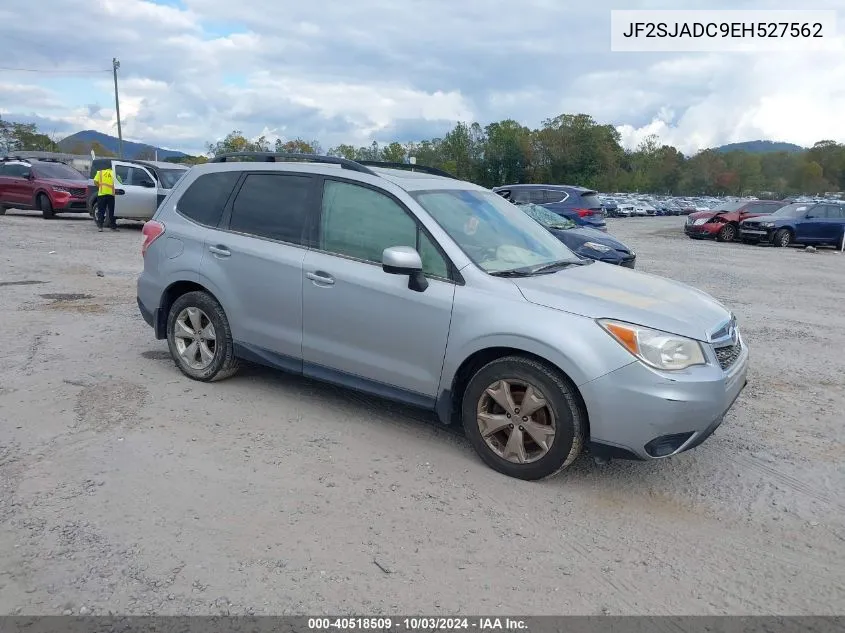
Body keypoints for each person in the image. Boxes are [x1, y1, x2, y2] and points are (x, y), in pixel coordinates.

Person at [93, 166, 122, 232]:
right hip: (111, 195)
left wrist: (100, 187)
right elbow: (120, 182)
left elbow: (95, 182)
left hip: (101, 194)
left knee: (101, 211)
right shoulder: (114, 174)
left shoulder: (100, 172)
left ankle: (100, 227)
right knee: (112, 211)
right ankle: (113, 227)